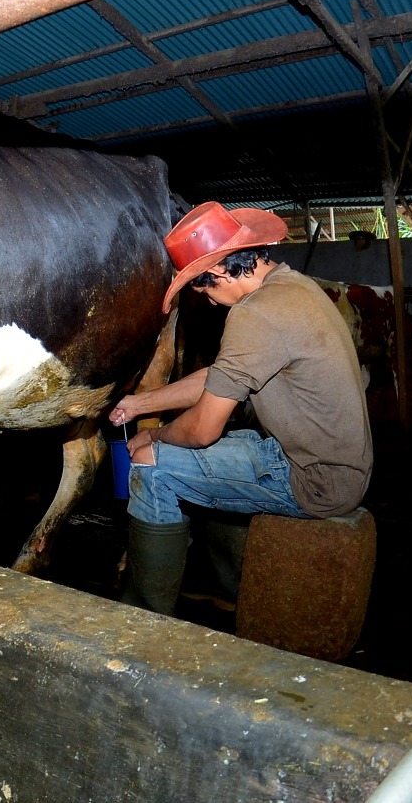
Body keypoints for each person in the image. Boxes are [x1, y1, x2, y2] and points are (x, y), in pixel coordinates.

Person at [109, 201, 373, 615]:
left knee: (150, 463)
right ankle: (230, 586)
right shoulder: (293, 287)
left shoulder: (254, 315)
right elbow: (223, 376)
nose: (211, 303)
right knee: (215, 450)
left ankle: (143, 616)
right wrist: (141, 403)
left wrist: (153, 433)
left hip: (313, 478)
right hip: (327, 459)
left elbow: (202, 430)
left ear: (217, 273)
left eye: (206, 290)